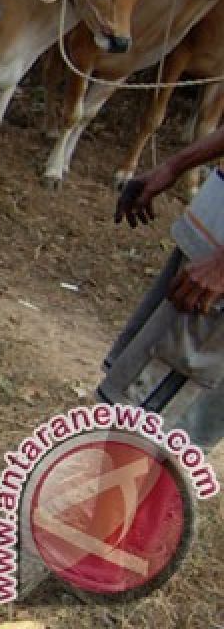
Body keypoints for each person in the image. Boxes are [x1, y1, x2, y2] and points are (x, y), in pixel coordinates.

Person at [109, 124, 224, 449]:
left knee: (157, 429)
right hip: (206, 247)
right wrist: (174, 165)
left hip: (213, 278)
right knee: (132, 405)